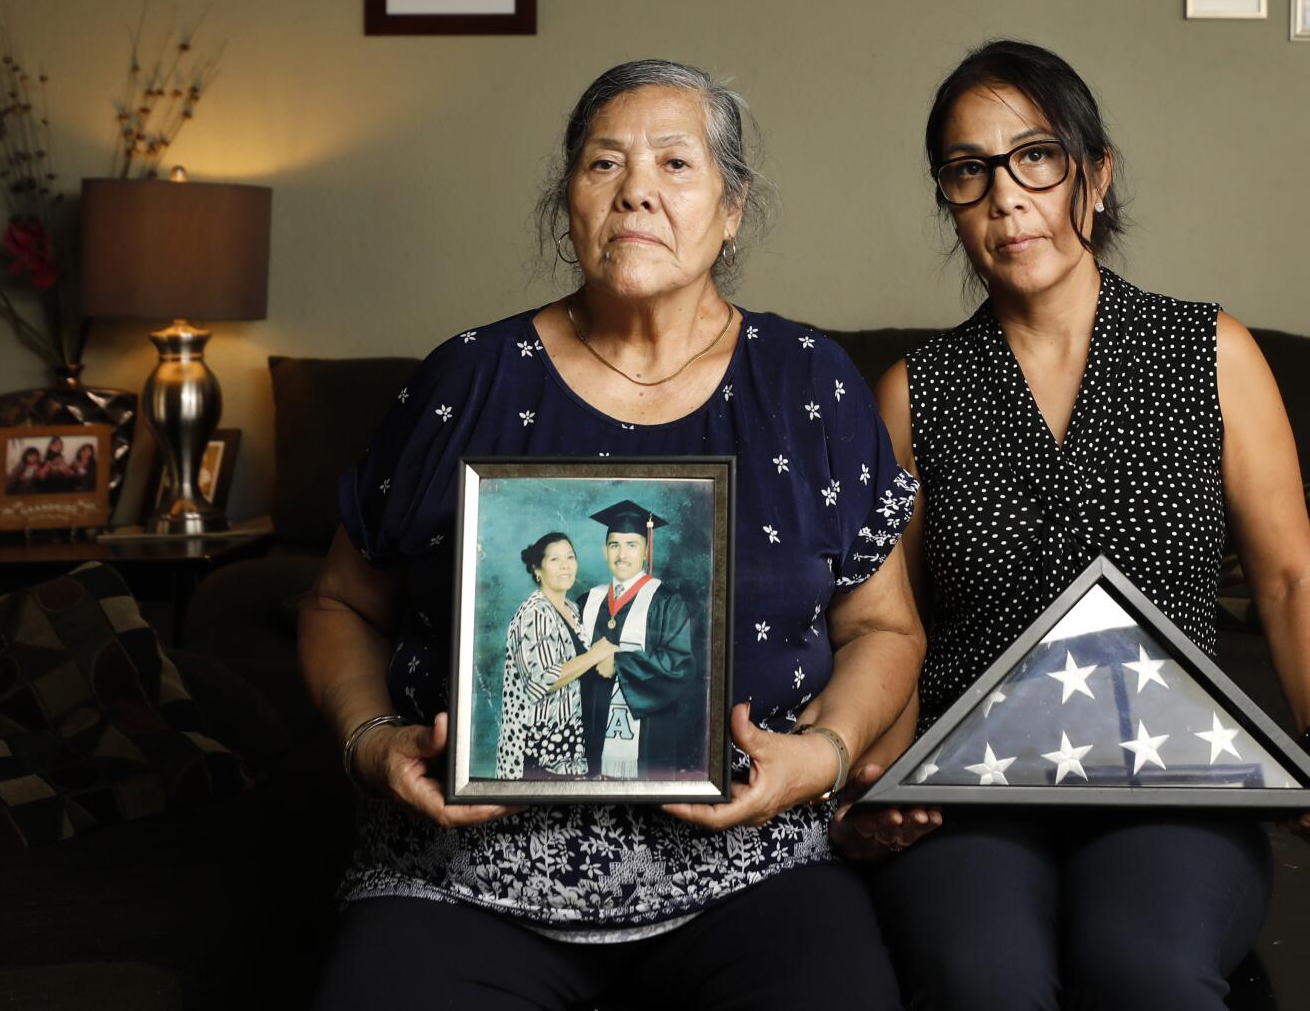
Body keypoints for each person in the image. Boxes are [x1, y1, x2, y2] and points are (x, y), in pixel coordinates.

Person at [301, 58, 923, 1010]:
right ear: (569, 203)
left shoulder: (811, 384)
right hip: (461, 879)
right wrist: (369, 742)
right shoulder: (463, 380)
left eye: (676, 163)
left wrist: (825, 757)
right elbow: (341, 603)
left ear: (732, 206)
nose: (636, 188)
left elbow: (885, 630)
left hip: (748, 874)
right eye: (604, 164)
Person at [835, 39, 1310, 1011]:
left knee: (1138, 970)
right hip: (969, 786)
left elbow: (1289, 578)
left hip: (1171, 776)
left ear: (1093, 177)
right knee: (984, 979)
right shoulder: (913, 393)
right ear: (951, 203)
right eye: (968, 171)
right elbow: (891, 622)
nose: (1004, 195)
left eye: (1035, 157)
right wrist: (880, 778)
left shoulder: (1209, 354)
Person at [577, 502, 699, 778]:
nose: (622, 555)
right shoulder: (587, 601)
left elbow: (679, 667)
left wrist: (620, 662)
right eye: (614, 545)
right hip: (587, 739)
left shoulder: (666, 601)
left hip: (644, 744)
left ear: (645, 551)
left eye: (631, 545)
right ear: (604, 551)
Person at [498, 533, 610, 780]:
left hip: (570, 739)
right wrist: (596, 654)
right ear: (537, 569)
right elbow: (542, 680)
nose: (565, 565)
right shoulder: (535, 614)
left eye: (570, 557)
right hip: (539, 743)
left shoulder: (572, 609)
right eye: (555, 559)